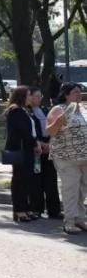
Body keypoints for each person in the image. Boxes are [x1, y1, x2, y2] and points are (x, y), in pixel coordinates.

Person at [46, 82, 87, 234]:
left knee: (83, 189)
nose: (79, 94)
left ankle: (80, 219)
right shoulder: (59, 109)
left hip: (84, 157)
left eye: (80, 92)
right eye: (76, 92)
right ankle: (69, 221)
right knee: (71, 188)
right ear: (66, 94)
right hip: (66, 156)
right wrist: (60, 120)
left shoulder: (83, 109)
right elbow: (50, 131)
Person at [4, 86, 39, 223]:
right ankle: (19, 210)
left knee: (27, 180)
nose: (31, 97)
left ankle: (26, 207)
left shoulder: (25, 110)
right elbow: (23, 131)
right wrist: (35, 143)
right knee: (20, 180)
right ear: (22, 96)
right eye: (29, 95)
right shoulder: (16, 110)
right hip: (20, 149)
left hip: (27, 149)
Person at [28, 87, 62, 219]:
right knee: (36, 180)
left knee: (51, 180)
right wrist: (39, 143)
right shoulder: (27, 112)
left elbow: (55, 127)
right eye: (36, 96)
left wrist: (50, 143)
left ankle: (54, 210)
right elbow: (28, 132)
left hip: (49, 149)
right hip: (36, 150)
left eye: (40, 96)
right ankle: (36, 208)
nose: (39, 98)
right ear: (29, 97)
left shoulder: (46, 110)